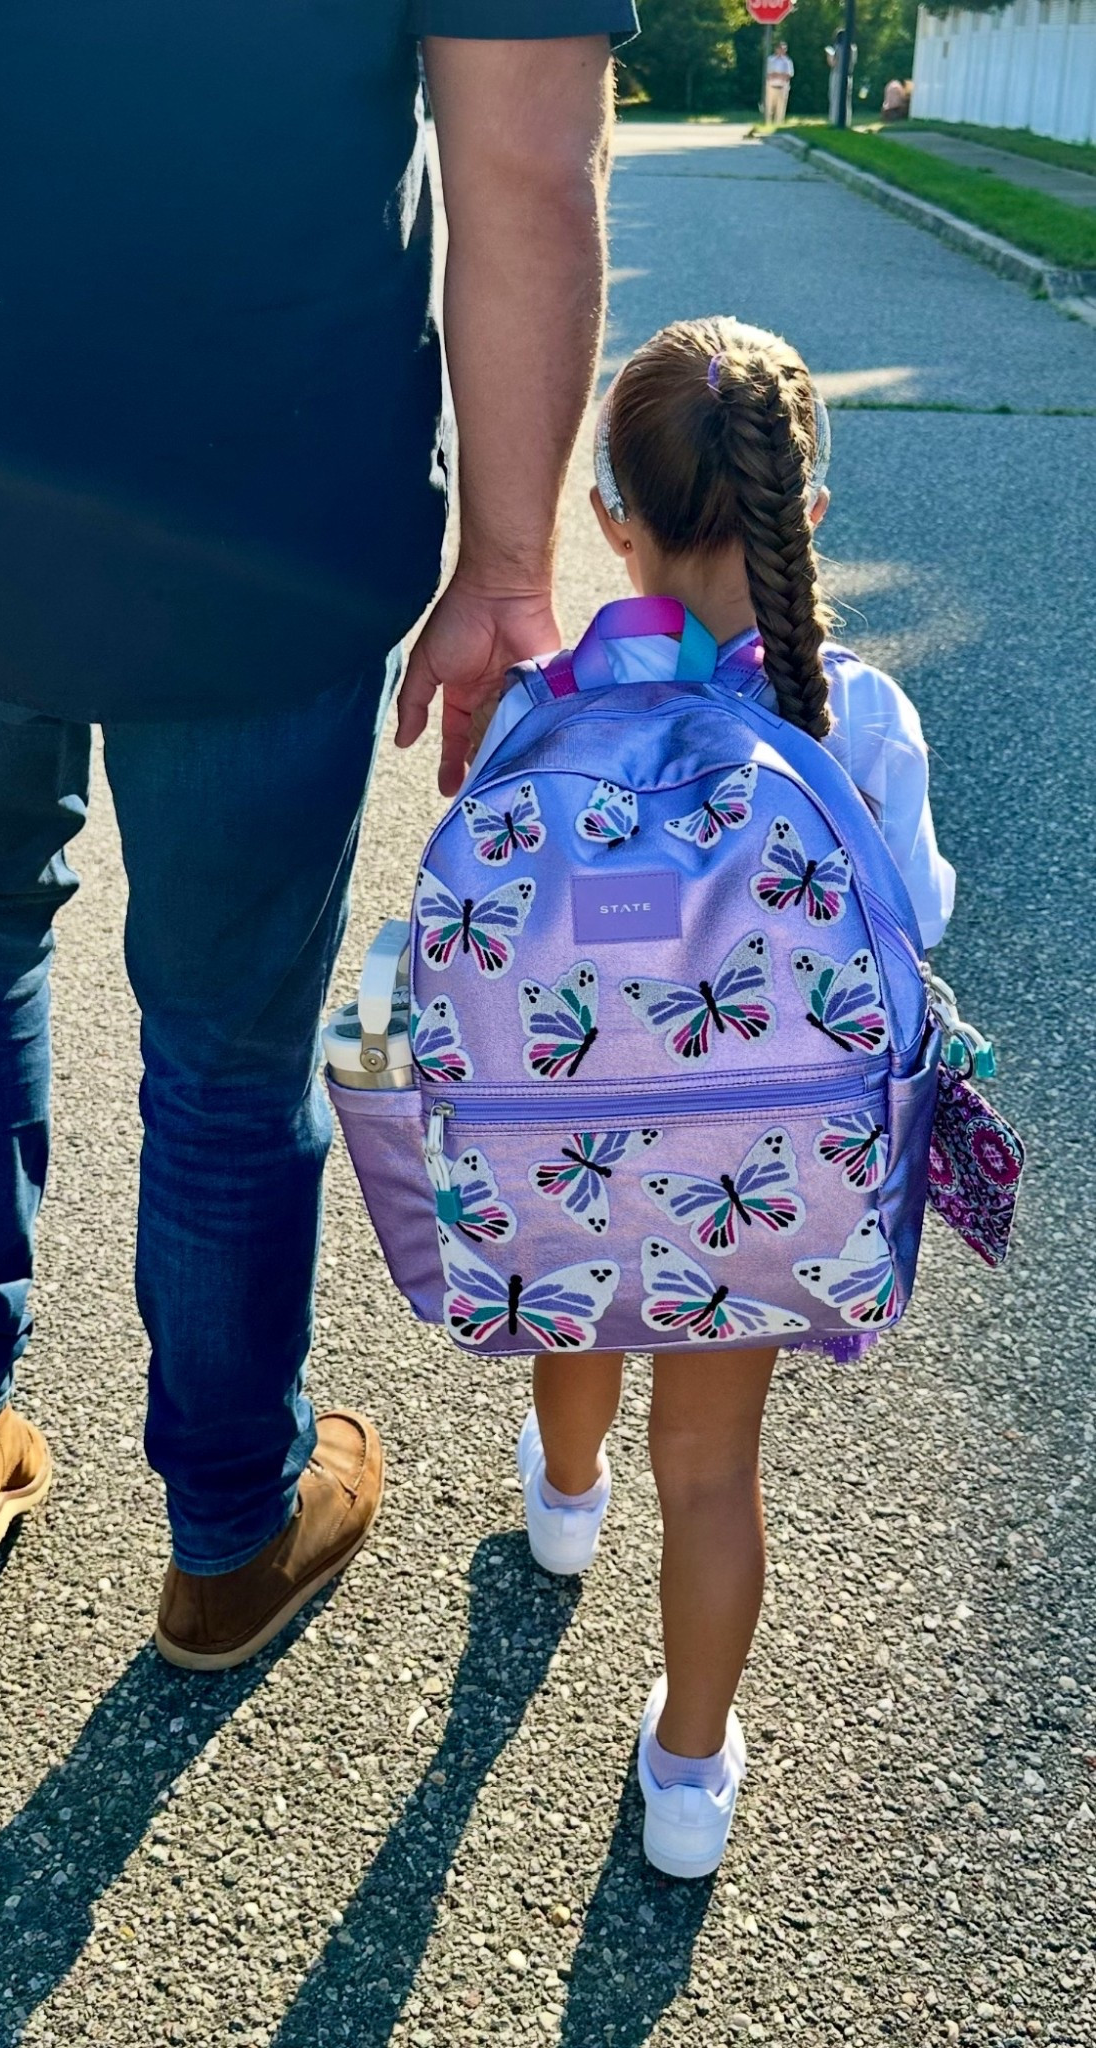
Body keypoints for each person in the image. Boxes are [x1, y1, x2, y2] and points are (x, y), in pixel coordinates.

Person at [0, 0, 637, 1670]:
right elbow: (522, 163)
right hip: (261, 512)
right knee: (223, 1035)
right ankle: (228, 1524)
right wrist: (505, 562)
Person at [483, 315, 954, 1875]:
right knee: (713, 1472)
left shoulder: (540, 711)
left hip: (568, 1155)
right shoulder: (856, 720)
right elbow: (918, 917)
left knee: (584, 1326)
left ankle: (560, 1500)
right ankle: (688, 1777)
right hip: (766, 1173)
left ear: (608, 519)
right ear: (800, 513)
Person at [825, 29, 858, 125]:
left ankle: (834, 120)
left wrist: (828, 55)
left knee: (835, 97)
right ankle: (847, 120)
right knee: (847, 99)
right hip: (848, 75)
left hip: (837, 74)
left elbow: (833, 63)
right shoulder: (853, 48)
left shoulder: (837, 47)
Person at [764, 40, 794, 126]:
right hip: (771, 86)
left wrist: (777, 74)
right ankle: (768, 123)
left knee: (781, 108)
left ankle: (778, 124)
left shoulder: (788, 61)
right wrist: (780, 74)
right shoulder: (770, 59)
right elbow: (769, 74)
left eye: (784, 49)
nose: (782, 51)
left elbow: (788, 75)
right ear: (776, 49)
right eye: (781, 48)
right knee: (769, 107)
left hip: (782, 87)